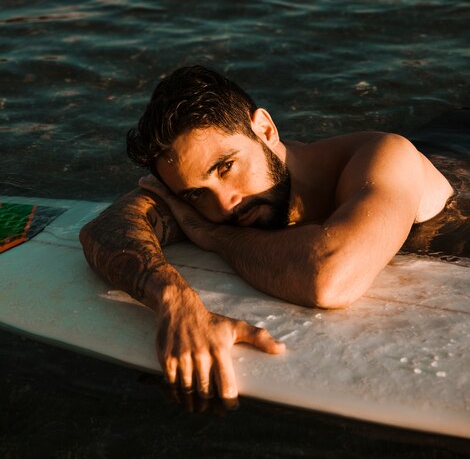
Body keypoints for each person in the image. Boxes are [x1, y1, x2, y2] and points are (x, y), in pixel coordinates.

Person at [79, 65, 454, 402]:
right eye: (196, 194)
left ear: (266, 129)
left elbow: (328, 279)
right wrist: (176, 302)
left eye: (226, 167)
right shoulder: (216, 196)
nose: (224, 206)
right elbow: (104, 231)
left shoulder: (387, 155)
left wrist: (213, 236)